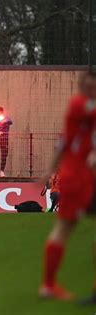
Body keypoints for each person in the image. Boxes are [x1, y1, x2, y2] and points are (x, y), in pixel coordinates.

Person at [39, 71, 96, 300]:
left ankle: (49, 285)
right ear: (82, 86)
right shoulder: (80, 104)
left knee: (64, 229)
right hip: (78, 177)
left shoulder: (84, 111)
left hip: (83, 175)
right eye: (89, 86)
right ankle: (49, 285)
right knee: (63, 228)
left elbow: (62, 142)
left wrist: (50, 169)